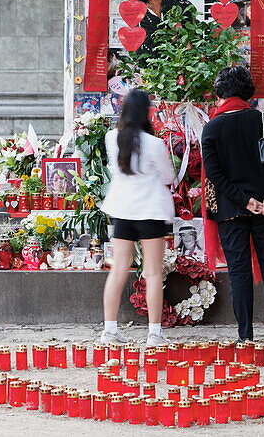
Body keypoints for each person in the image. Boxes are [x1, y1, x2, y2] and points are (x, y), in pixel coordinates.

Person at [200, 65, 264, 346]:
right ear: (247, 92)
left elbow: (215, 175)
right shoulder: (263, 120)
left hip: (232, 209)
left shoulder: (212, 127)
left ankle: (245, 335)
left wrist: (243, 200)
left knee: (239, 271)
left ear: (221, 94)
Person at [99, 89, 175, 346]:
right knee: (153, 272)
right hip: (150, 211)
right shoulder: (154, 144)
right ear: (146, 112)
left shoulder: (112, 138)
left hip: (122, 209)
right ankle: (154, 333)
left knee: (118, 269)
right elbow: (168, 177)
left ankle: (110, 330)